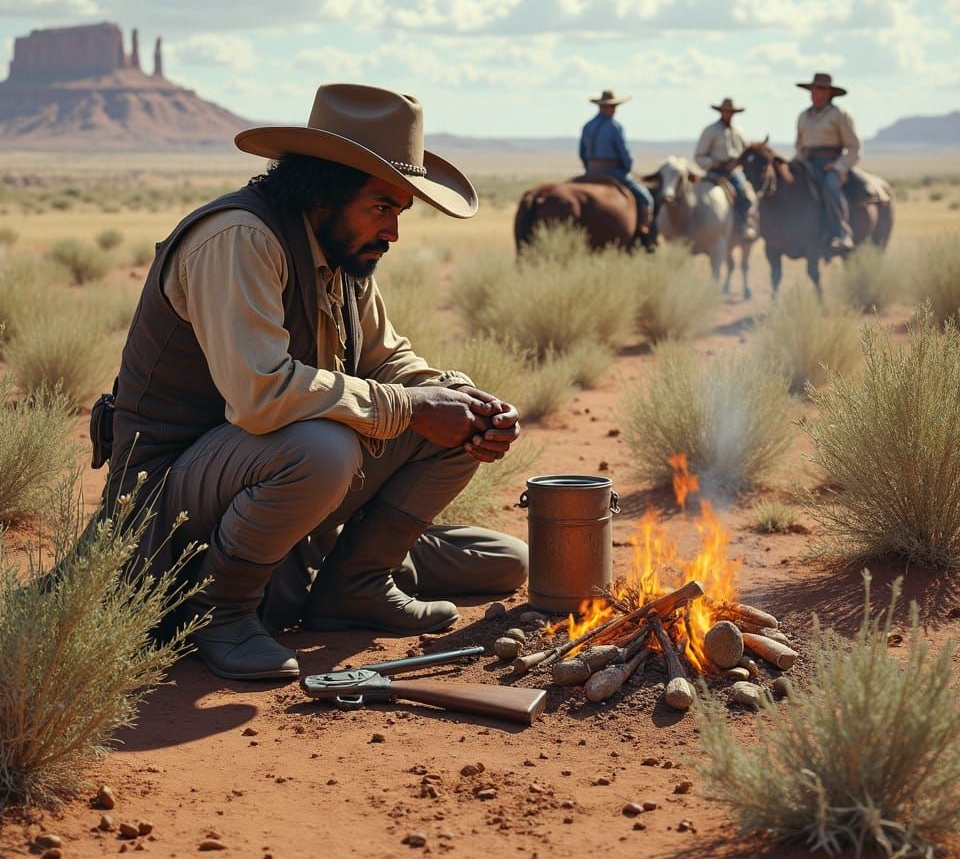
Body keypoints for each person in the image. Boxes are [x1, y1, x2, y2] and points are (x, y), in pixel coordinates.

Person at [96, 83, 528, 682]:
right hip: (165, 498)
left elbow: (387, 361)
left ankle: (356, 583)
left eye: (400, 212)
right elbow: (260, 395)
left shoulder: (343, 251)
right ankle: (220, 613)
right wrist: (410, 406)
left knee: (495, 522)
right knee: (324, 448)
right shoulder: (240, 239)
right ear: (323, 191)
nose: (393, 231)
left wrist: (461, 401)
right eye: (381, 207)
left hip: (268, 482)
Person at [793, 73, 861, 255]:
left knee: (831, 185)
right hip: (806, 162)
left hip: (829, 163)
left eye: (820, 89)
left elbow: (854, 147)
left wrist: (839, 167)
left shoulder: (839, 114)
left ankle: (842, 232)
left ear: (829, 93)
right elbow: (799, 145)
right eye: (813, 89)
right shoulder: (803, 116)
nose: (815, 93)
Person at [579, 89, 655, 247]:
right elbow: (624, 153)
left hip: (591, 171)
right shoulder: (615, 127)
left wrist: (589, 169)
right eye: (612, 106)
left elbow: (582, 152)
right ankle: (644, 233)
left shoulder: (587, 126)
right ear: (604, 107)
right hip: (613, 172)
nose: (614, 110)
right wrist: (627, 168)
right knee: (645, 197)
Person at [693, 97, 757, 239]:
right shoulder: (710, 131)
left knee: (745, 195)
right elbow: (699, 156)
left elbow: (745, 152)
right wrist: (712, 162)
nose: (728, 114)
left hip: (732, 171)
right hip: (715, 171)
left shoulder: (739, 132)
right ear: (721, 112)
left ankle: (743, 224)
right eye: (726, 111)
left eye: (730, 112)